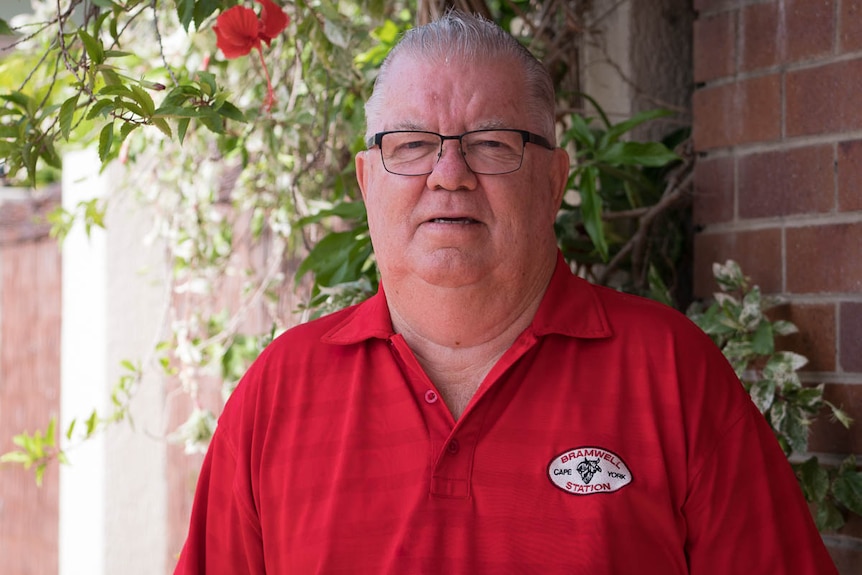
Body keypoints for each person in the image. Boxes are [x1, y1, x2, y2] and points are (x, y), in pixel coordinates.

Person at [173, 10, 839, 574]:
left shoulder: (674, 377)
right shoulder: (276, 395)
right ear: (367, 179)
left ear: (554, 179)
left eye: (490, 143)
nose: (449, 173)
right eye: (411, 145)